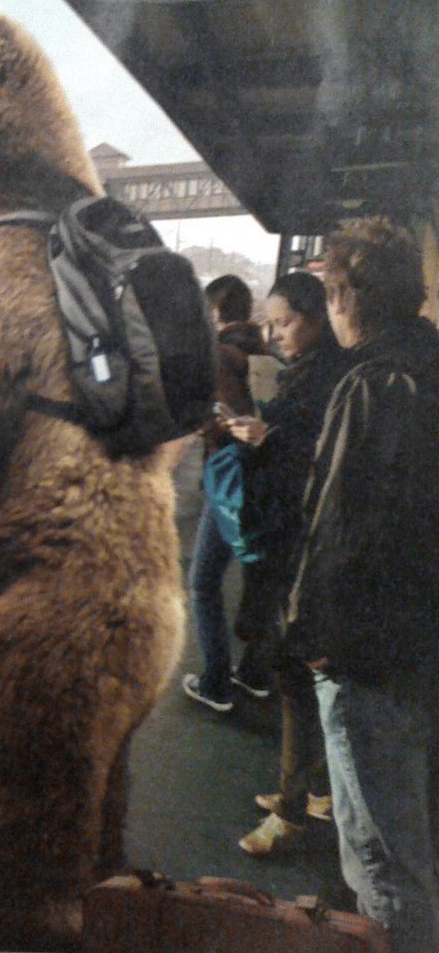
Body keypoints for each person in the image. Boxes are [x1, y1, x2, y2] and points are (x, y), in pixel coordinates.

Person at [284, 218, 439, 952]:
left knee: (380, 855)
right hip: (420, 643)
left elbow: (339, 530)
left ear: (345, 297)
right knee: (411, 829)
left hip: (368, 651)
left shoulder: (375, 384)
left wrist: (311, 640)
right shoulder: (430, 364)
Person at [221, 272, 343, 856]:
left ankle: (294, 811)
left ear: (325, 312)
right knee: (302, 677)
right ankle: (311, 790)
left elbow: (317, 467)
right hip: (304, 545)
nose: (276, 333)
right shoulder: (321, 371)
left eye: (286, 322)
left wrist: (265, 439)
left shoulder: (330, 378)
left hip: (305, 549)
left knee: (297, 674)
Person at [182, 274, 271, 712]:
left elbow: (220, 418)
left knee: (202, 584)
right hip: (267, 482)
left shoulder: (218, 356)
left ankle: (216, 682)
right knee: (261, 579)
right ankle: (256, 673)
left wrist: (207, 423)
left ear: (214, 313)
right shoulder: (267, 349)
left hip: (229, 481)